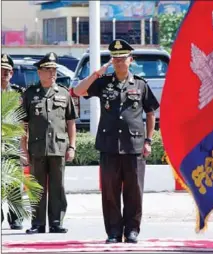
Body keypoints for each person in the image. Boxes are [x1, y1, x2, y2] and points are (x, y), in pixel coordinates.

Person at [73, 39, 159, 243]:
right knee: (110, 192)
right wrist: (97, 73)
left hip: (134, 146)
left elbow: (150, 113)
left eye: (123, 58)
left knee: (134, 192)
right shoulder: (104, 82)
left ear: (131, 60)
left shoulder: (140, 84)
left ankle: (132, 230)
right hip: (109, 146)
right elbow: (78, 91)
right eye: (115, 59)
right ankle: (113, 231)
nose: (119, 62)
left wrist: (148, 140)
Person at [20, 52, 78, 234]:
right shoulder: (30, 94)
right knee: (37, 187)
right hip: (36, 148)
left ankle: (56, 222)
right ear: (39, 72)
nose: (52, 73)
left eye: (54, 70)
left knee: (57, 186)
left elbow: (71, 122)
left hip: (58, 147)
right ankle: (37, 224)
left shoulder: (63, 93)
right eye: (48, 70)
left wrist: (72, 146)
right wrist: (23, 149)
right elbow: (24, 124)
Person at [1, 53, 24, 230]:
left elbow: (24, 121)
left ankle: (15, 217)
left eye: (7, 71)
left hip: (12, 144)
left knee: (14, 182)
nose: (4, 74)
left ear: (12, 73)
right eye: (1, 70)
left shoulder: (18, 94)